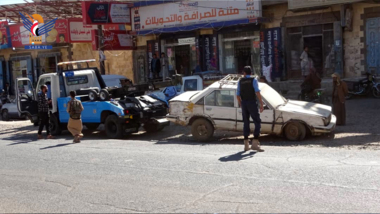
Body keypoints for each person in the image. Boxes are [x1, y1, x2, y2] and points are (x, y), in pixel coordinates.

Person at [237, 66, 265, 152]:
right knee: (257, 121)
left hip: (244, 103)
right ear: (251, 73)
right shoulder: (254, 80)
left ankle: (246, 145)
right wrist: (261, 103)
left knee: (246, 122)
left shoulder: (240, 81)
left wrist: (241, 104)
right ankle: (255, 144)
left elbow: (237, 95)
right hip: (252, 103)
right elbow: (257, 92)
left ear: (244, 73)